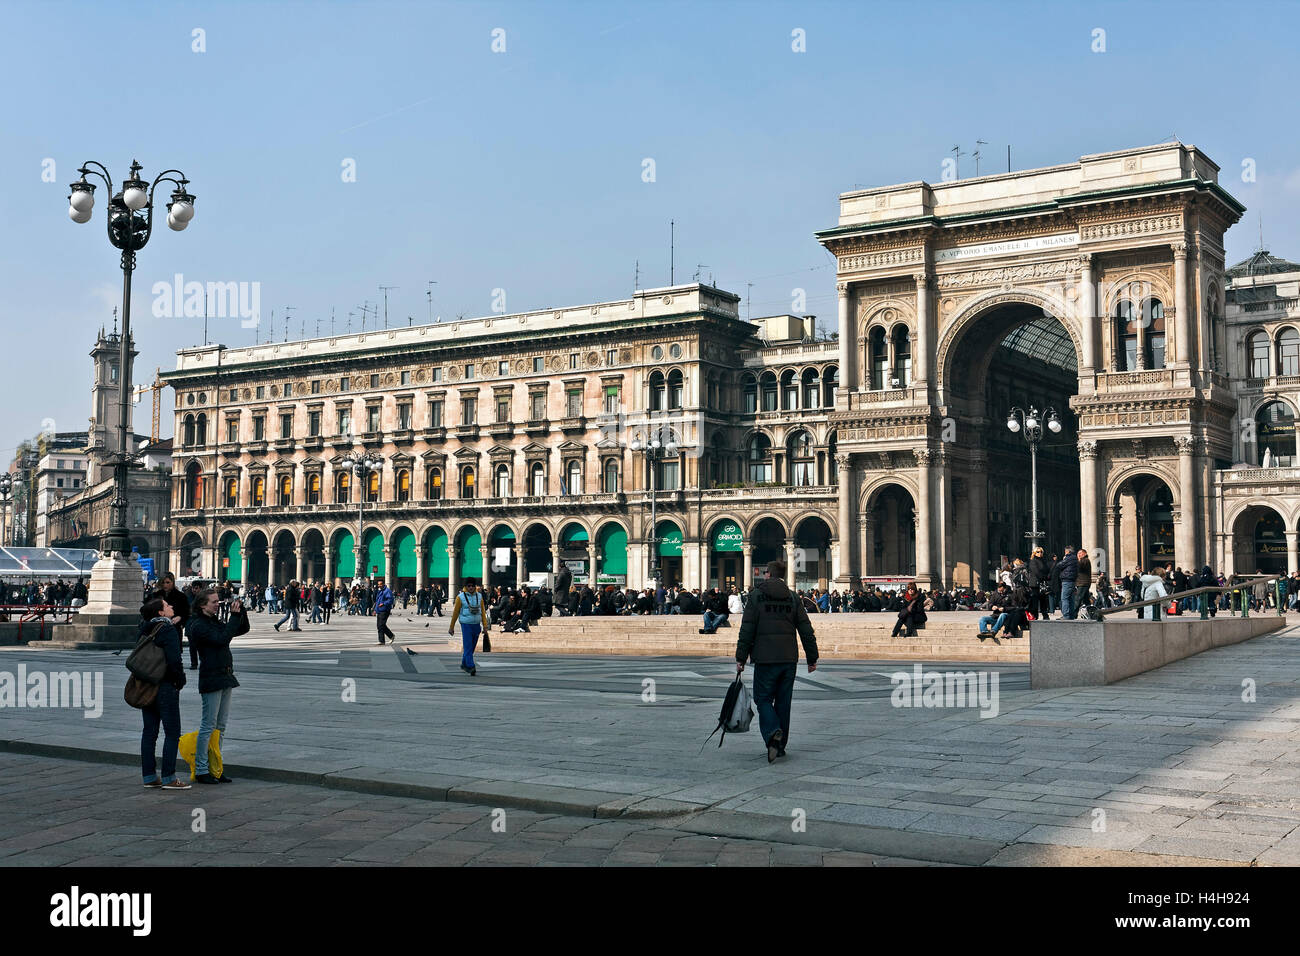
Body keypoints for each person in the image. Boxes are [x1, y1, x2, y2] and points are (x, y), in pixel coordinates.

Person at [735, 560, 818, 764]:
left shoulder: (756, 595)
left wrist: (740, 657)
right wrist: (812, 657)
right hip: (788, 658)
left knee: (763, 699)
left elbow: (747, 628)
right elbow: (805, 628)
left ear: (767, 574)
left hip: (765, 658)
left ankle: (773, 732)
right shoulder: (792, 597)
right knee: (783, 703)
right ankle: (779, 747)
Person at [187, 587, 249, 784]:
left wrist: (241, 613)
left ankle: (215, 767)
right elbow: (222, 638)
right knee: (208, 725)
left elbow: (241, 629)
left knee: (220, 726)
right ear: (202, 605)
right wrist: (232, 617)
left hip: (224, 675)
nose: (217, 604)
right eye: (213, 601)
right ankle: (202, 769)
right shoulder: (197, 625)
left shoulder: (213, 621)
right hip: (211, 677)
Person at [138, 596, 191, 790]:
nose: (171, 606)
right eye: (167, 605)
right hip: (165, 685)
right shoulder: (167, 629)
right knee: (172, 732)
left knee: (149, 732)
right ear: (160, 612)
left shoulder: (144, 628)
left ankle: (149, 776)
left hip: (146, 685)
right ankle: (169, 777)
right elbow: (173, 659)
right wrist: (179, 680)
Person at [448, 578, 485, 676]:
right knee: (468, 646)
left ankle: (464, 664)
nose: (471, 587)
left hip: (476, 625)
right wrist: (451, 627)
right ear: (465, 587)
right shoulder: (460, 597)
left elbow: (483, 612)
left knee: (472, 647)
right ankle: (471, 666)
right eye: (469, 586)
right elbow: (455, 613)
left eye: (473, 585)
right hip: (466, 624)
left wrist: (485, 625)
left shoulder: (479, 596)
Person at [375, 577, 396, 644]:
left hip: (385, 610)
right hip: (379, 610)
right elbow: (377, 601)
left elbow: (390, 600)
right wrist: (375, 609)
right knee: (379, 625)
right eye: (378, 584)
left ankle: (385, 639)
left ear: (383, 584)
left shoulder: (387, 591)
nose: (379, 585)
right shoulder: (380, 591)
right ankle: (385, 639)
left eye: (380, 584)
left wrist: (383, 604)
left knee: (381, 625)